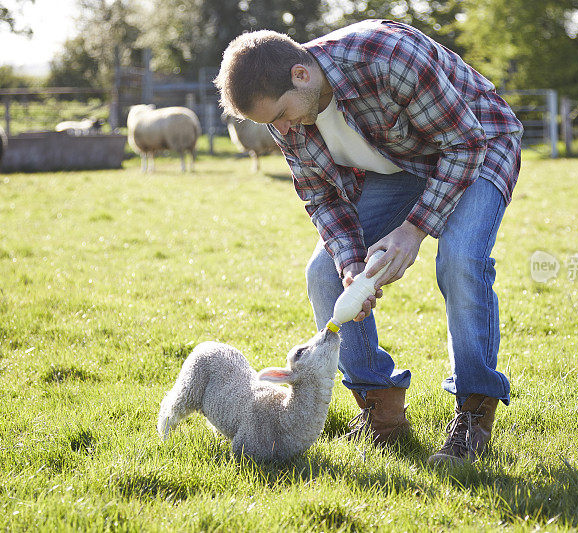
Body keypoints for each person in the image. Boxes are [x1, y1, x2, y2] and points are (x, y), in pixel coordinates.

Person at [215, 19, 523, 467]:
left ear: (301, 74)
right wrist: (349, 267)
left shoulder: (388, 58)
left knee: (459, 259)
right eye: (271, 122)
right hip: (401, 164)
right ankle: (381, 410)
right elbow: (321, 197)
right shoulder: (285, 115)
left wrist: (414, 229)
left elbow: (463, 144)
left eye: (281, 114)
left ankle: (474, 413)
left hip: (477, 141)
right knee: (324, 272)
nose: (281, 128)